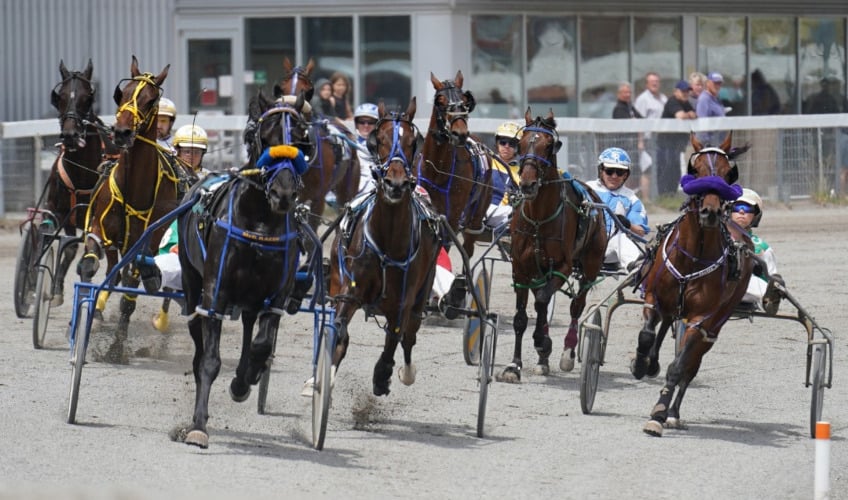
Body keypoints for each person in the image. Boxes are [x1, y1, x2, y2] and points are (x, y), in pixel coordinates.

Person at [150, 124, 210, 331]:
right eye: (187, 151)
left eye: (196, 152)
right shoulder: (167, 177)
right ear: (177, 151)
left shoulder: (210, 179)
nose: (191, 156)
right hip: (172, 227)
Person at [586, 147, 649, 271]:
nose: (614, 176)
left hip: (607, 249)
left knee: (621, 238)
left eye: (619, 172)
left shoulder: (631, 199)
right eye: (609, 171)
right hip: (582, 246)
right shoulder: (586, 188)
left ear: (625, 175)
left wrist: (627, 224)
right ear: (601, 171)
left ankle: (637, 270)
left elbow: (640, 232)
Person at [730, 188, 783, 314]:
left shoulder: (762, 248)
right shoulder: (715, 239)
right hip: (714, 288)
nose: (742, 211)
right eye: (737, 207)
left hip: (744, 291)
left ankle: (769, 299)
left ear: (755, 216)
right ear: (728, 211)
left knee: (769, 285)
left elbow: (770, 275)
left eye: (747, 208)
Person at [656, 79, 696, 196]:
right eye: (683, 91)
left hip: (675, 145)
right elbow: (681, 116)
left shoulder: (685, 103)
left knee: (675, 170)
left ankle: (671, 194)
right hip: (665, 144)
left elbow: (694, 114)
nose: (685, 93)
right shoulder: (672, 101)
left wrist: (689, 114)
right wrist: (689, 115)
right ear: (676, 92)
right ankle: (663, 195)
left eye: (687, 91)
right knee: (666, 170)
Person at [633, 72, 667, 200]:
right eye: (652, 81)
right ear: (647, 84)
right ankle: (646, 199)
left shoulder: (663, 98)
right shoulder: (643, 99)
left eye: (657, 81)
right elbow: (639, 120)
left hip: (661, 140)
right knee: (647, 169)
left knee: (661, 168)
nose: (655, 83)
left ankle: (660, 197)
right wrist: (640, 141)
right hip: (647, 140)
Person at [486, 121, 522, 230]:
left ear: (518, 147)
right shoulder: (487, 161)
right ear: (497, 143)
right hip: (483, 210)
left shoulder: (521, 170)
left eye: (512, 143)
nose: (506, 146)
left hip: (507, 216)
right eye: (503, 142)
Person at [611, 81, 645, 190]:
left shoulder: (630, 106)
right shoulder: (619, 108)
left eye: (629, 92)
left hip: (633, 145)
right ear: (619, 94)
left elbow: (641, 119)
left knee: (635, 170)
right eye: (625, 92)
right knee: (626, 170)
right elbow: (625, 126)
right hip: (624, 146)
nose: (628, 95)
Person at [695, 71, 727, 145]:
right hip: (709, 145)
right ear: (708, 83)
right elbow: (702, 122)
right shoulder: (704, 99)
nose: (718, 86)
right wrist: (706, 145)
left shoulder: (716, 98)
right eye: (715, 83)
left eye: (719, 84)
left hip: (718, 142)